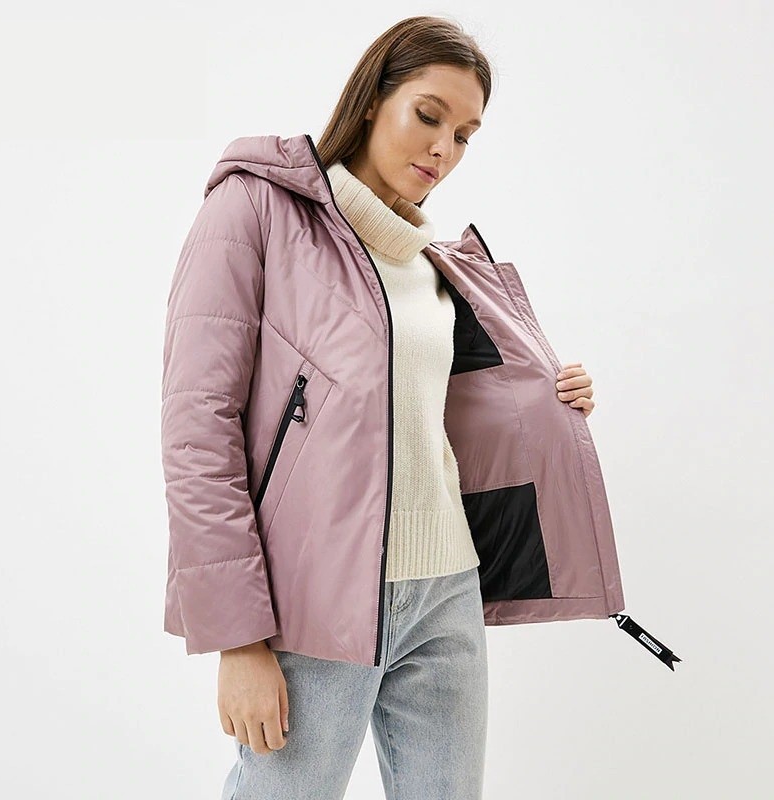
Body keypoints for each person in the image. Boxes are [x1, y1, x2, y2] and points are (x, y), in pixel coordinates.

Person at [161, 13, 629, 800]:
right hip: (317, 597)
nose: (444, 149)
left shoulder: (437, 265)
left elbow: (430, 417)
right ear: (373, 98)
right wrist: (236, 639)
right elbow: (196, 429)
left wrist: (550, 398)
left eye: (465, 135)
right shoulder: (257, 210)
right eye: (428, 115)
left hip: (447, 590)